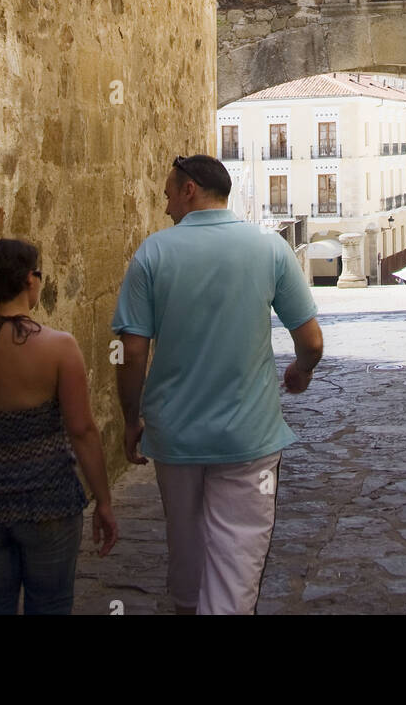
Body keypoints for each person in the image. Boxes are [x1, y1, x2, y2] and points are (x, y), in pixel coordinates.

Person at [112, 154, 323, 616]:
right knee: (238, 561)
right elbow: (309, 340)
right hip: (250, 438)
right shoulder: (269, 248)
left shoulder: (153, 253)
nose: (165, 205)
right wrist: (300, 370)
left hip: (175, 435)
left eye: (168, 193)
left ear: (189, 189)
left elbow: (131, 353)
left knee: (184, 547)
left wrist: (132, 419)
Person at [0, 237, 118, 614]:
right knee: (49, 604)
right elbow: (82, 430)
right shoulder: (59, 348)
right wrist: (104, 500)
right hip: (47, 500)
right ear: (30, 280)